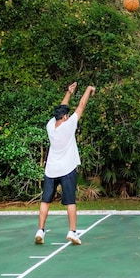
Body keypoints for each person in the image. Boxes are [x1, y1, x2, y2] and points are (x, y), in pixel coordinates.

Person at [35, 82, 95, 245]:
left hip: (51, 170)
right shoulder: (68, 126)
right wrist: (89, 89)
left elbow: (62, 107)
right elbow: (81, 105)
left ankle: (40, 230)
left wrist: (69, 92)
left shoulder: (50, 125)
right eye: (66, 115)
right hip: (67, 170)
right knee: (70, 201)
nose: (68, 116)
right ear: (65, 117)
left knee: (45, 201)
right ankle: (72, 232)